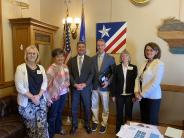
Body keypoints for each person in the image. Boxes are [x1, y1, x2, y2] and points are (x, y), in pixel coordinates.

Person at [15, 45, 49, 138]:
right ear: (26, 55)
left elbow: (45, 82)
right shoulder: (20, 68)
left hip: (40, 101)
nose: (32, 55)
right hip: (27, 103)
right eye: (29, 53)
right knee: (32, 129)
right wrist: (32, 97)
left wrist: (38, 96)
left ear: (37, 55)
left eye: (34, 53)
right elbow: (19, 87)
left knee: (42, 127)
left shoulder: (41, 68)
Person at [135, 42, 164, 125]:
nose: (148, 52)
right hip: (142, 97)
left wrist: (141, 95)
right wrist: (136, 91)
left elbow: (155, 83)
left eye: (151, 50)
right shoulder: (144, 62)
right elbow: (138, 78)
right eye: (147, 50)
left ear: (156, 52)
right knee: (144, 120)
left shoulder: (159, 64)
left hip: (153, 98)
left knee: (151, 122)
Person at [68, 41, 93, 134]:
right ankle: (74, 126)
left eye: (83, 47)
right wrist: (74, 84)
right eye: (79, 47)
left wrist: (85, 84)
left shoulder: (90, 60)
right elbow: (69, 74)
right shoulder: (72, 60)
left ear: (85, 48)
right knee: (74, 108)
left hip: (85, 89)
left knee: (87, 107)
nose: (81, 48)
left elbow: (92, 74)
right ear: (77, 48)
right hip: (75, 89)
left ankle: (87, 125)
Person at [91, 39, 115, 133]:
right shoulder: (92, 58)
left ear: (105, 46)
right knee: (94, 106)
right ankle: (95, 121)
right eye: (98, 45)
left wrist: (108, 82)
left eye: (102, 45)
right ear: (97, 46)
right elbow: (91, 73)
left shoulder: (110, 58)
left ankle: (104, 123)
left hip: (105, 87)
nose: (100, 47)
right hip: (94, 87)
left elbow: (113, 73)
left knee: (105, 107)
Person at [111, 49, 137, 133]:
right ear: (121, 58)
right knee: (119, 114)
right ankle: (118, 130)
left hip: (130, 95)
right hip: (119, 95)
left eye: (126, 56)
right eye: (122, 56)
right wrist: (113, 95)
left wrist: (134, 96)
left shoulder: (133, 68)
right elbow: (113, 82)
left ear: (129, 57)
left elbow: (135, 82)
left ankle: (128, 131)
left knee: (128, 114)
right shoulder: (117, 68)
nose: (124, 57)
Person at [46, 48, 70, 138]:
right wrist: (53, 92)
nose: (60, 58)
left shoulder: (65, 66)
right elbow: (47, 83)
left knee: (60, 112)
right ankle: (50, 133)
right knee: (53, 114)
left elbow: (67, 79)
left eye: (61, 56)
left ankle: (58, 128)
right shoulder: (51, 68)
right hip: (54, 95)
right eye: (57, 56)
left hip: (63, 93)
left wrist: (66, 84)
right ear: (54, 58)